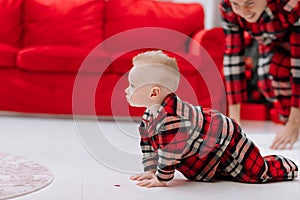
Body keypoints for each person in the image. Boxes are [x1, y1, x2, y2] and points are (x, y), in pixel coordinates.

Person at [125, 50, 298, 188]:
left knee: (256, 173)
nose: (127, 90)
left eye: (132, 85)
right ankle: (220, 167)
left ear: (154, 93)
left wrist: (162, 179)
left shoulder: (172, 122)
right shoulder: (150, 116)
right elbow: (148, 145)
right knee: (224, 173)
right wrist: (151, 170)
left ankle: (287, 167)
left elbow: (169, 154)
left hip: (228, 139)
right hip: (207, 148)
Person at [219, 0, 300, 150]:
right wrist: (234, 121)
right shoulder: (227, 7)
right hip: (271, 41)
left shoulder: (291, 4)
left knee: (279, 70)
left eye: (249, 3)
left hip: (296, 38)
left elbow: (298, 64)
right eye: (237, 4)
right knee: (266, 82)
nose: (243, 12)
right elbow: (233, 58)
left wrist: (293, 123)